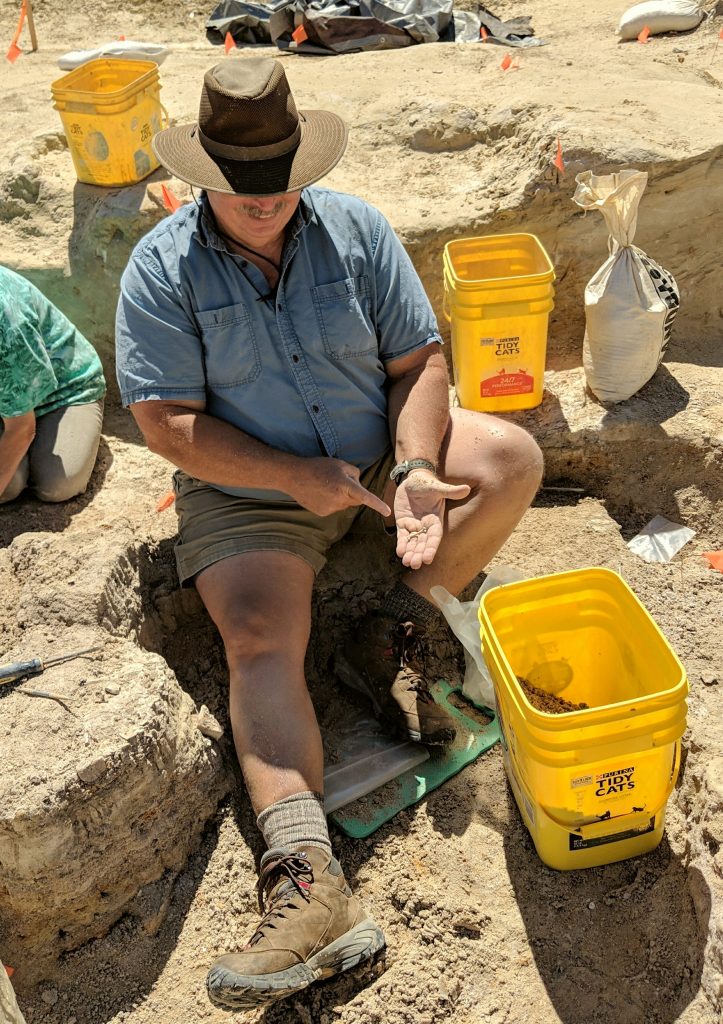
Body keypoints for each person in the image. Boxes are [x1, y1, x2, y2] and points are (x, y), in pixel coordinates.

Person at [115, 58, 543, 1011]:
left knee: (508, 456)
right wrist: (292, 478)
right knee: (261, 642)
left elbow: (419, 360)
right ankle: (309, 888)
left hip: (378, 455)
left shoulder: (355, 229)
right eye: (241, 189)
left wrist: (420, 466)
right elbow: (167, 426)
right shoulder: (160, 268)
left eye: (279, 183)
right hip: (249, 488)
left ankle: (388, 625)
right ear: (201, 176)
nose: (263, 204)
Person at [0, 266, 106, 505]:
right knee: (11, 484)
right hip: (6, 400)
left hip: (64, 393)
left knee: (58, 484)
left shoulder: (7, 322)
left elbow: (21, 428)